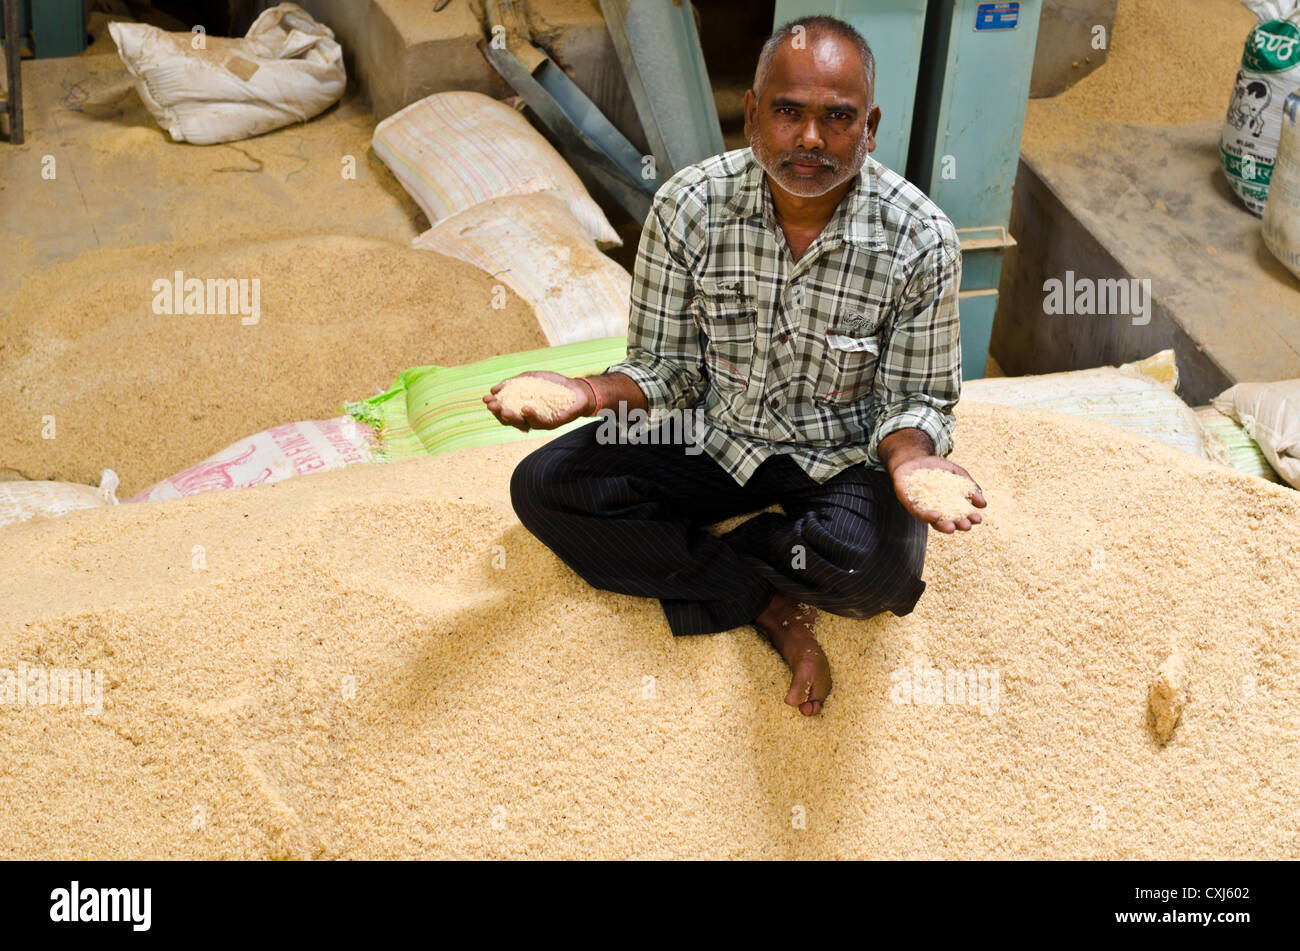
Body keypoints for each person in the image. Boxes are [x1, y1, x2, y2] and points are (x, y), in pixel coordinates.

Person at [485, 15, 984, 716]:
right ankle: (770, 602)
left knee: (875, 572)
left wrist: (910, 461)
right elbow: (668, 370)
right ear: (753, 114)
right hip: (714, 437)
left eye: (838, 118)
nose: (811, 139)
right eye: (788, 112)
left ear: (869, 128)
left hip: (841, 455)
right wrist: (586, 391)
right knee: (545, 486)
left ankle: (728, 556)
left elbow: (915, 399)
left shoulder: (921, 239)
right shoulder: (687, 207)